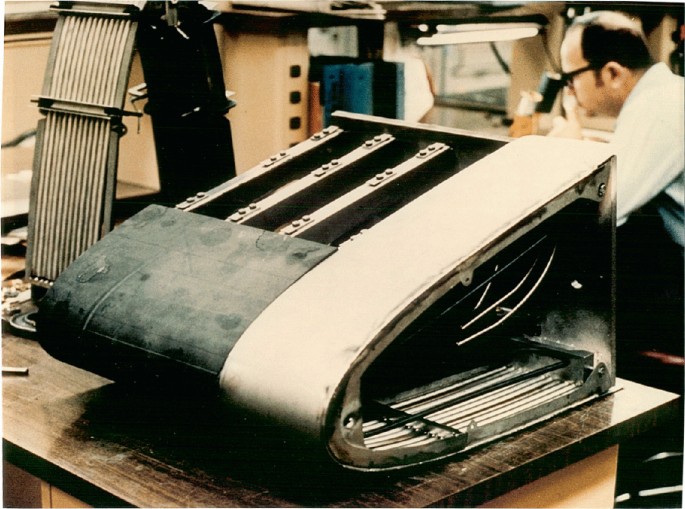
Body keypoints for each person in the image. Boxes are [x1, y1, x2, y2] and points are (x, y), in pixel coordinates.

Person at [550, 10, 684, 393]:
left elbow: (605, 209)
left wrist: (561, 156)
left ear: (611, 73)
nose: (570, 90)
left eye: (571, 78)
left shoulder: (658, 111)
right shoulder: (667, 94)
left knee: (573, 291)